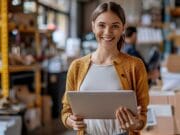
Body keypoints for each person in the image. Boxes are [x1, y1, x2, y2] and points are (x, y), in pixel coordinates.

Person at [61, 1, 149, 135]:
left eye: (115, 26)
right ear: (93, 26)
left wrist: (136, 124)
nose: (108, 32)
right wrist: (71, 121)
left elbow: (142, 114)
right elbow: (66, 111)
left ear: (122, 28)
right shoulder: (77, 67)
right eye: (101, 25)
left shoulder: (135, 66)